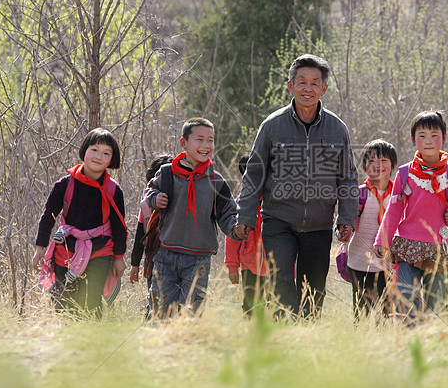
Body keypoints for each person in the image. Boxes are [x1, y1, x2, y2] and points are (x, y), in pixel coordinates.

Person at [235, 54, 358, 320]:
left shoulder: (337, 129)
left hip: (319, 223)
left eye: (315, 83)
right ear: (290, 86)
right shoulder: (272, 125)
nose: (308, 88)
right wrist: (245, 216)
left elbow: (347, 177)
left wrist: (346, 218)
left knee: (313, 290)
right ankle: (284, 338)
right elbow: (254, 175)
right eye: (301, 81)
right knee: (281, 285)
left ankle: (306, 340)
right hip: (278, 220)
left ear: (324, 89)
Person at [374, 111, 448, 321]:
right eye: (422, 135)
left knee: (436, 302)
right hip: (408, 245)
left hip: (440, 247)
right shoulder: (404, 173)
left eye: (434, 135)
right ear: (413, 139)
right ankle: (409, 341)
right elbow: (394, 208)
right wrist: (383, 239)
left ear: (444, 138)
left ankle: (432, 344)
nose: (428, 141)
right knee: (406, 297)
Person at [143, 118, 240, 317]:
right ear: (184, 143)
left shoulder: (216, 180)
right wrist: (155, 199)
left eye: (210, 140)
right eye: (200, 139)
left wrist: (238, 229)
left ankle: (186, 346)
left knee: (191, 312)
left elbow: (228, 213)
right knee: (159, 309)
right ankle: (155, 346)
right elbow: (150, 189)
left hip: (199, 258)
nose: (206, 145)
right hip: (166, 254)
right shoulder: (168, 173)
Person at [32, 128, 128, 319]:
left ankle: (91, 344)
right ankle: (67, 343)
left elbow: (119, 226)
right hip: (65, 250)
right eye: (94, 149)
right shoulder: (64, 184)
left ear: (112, 159)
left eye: (106, 153)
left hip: (100, 252)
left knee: (90, 302)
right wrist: (40, 247)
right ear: (84, 150)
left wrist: (119, 257)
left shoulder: (112, 190)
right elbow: (49, 215)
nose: (99, 156)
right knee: (62, 303)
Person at [343, 140, 397, 321]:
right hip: (360, 261)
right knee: (361, 312)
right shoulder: (358, 193)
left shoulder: (399, 194)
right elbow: (344, 221)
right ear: (364, 166)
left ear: (393, 165)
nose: (378, 165)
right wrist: (342, 231)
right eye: (372, 161)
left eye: (383, 161)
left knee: (387, 313)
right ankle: (361, 342)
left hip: (388, 264)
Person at [224, 153, 270, 316]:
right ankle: (252, 337)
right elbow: (233, 237)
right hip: (250, 263)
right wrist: (232, 266)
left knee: (278, 306)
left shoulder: (277, 202)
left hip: (276, 264)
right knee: (251, 306)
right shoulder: (241, 203)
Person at [129, 153, 173, 319]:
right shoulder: (147, 206)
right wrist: (135, 264)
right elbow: (141, 236)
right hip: (153, 260)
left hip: (174, 259)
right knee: (154, 300)